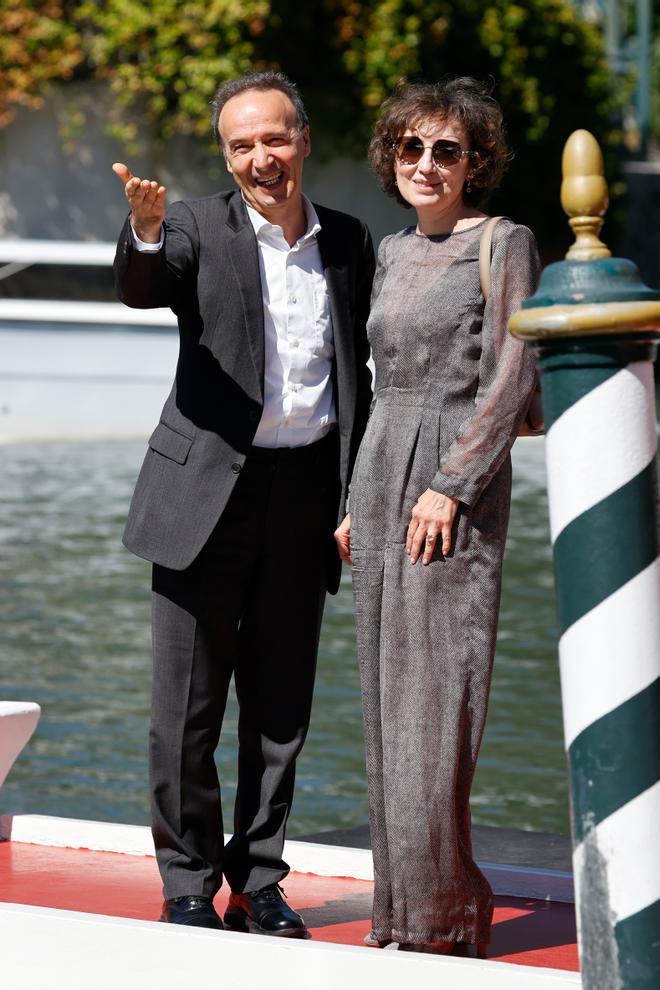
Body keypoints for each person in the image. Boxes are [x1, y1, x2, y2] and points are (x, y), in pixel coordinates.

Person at [112, 71, 374, 935]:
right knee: (185, 712)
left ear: (302, 138)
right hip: (202, 494)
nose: (261, 158)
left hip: (303, 494)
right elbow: (146, 285)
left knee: (280, 709)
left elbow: (358, 378)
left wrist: (353, 494)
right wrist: (143, 233)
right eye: (241, 145)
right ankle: (187, 881)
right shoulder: (190, 225)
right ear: (228, 157)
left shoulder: (347, 240)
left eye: (274, 138)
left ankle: (259, 880)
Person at [334, 77, 540, 954]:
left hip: (450, 482)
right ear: (393, 158)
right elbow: (379, 388)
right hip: (382, 475)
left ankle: (446, 920)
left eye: (446, 150)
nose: (426, 163)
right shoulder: (388, 252)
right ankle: (400, 916)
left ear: (475, 163)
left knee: (436, 701)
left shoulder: (503, 242)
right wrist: (353, 502)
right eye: (411, 148)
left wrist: (451, 484)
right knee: (387, 701)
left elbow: (515, 372)